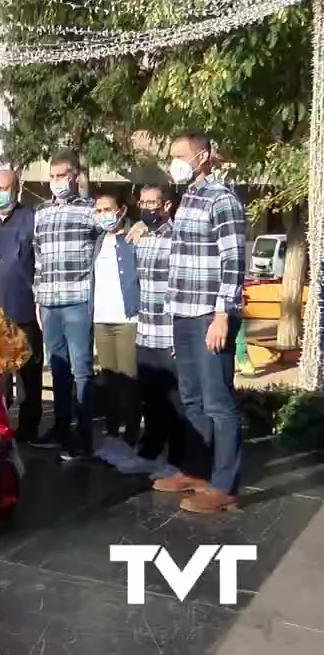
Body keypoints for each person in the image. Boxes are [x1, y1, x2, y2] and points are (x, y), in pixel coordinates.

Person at [159, 130, 247, 513]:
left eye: (182, 155)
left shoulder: (222, 199)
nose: (175, 163)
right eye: (172, 156)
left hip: (211, 315)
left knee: (218, 403)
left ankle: (225, 485)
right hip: (184, 314)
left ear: (205, 156)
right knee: (192, 399)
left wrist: (222, 315)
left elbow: (233, 261)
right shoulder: (187, 198)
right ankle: (196, 471)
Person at [128, 183, 211, 481]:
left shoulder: (178, 238)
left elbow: (185, 286)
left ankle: (178, 461)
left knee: (176, 403)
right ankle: (150, 452)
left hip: (169, 333)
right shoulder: (140, 236)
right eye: (143, 203)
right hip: (145, 331)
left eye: (154, 203)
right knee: (151, 399)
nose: (148, 208)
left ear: (166, 206)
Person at [32, 150, 100, 459]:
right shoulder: (42, 213)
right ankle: (60, 428)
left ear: (75, 177)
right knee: (57, 368)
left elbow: (112, 235)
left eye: (62, 176)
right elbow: (38, 258)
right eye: (52, 176)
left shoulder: (91, 211)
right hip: (49, 302)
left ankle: (84, 436)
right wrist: (37, 295)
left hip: (77, 300)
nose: (57, 182)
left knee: (82, 369)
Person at [0, 169, 42, 442]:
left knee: (29, 374)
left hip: (24, 308)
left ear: (17, 189)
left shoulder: (31, 219)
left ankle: (29, 429)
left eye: (4, 188)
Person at [90, 192, 140, 446]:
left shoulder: (133, 237)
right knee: (109, 378)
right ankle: (111, 430)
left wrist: (140, 226)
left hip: (127, 319)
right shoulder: (98, 241)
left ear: (120, 210)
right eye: (98, 210)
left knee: (128, 379)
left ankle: (132, 431)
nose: (102, 215)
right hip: (102, 319)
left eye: (107, 209)